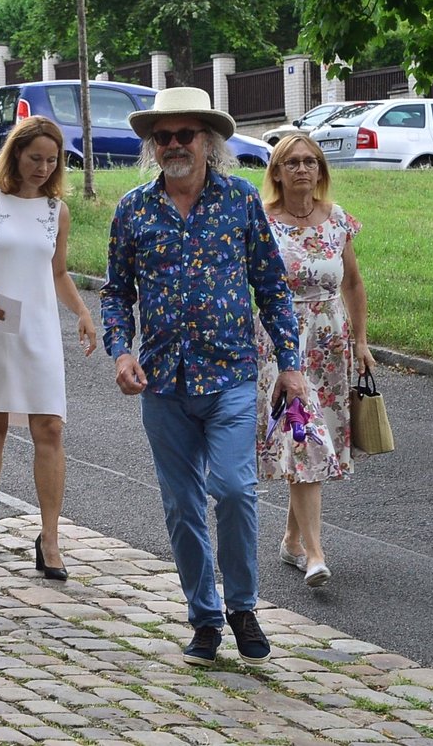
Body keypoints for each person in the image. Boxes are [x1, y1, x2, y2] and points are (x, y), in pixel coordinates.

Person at [101, 87, 309, 668]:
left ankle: (243, 605)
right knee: (182, 505)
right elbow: (116, 294)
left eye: (183, 135)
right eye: (161, 137)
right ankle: (204, 617)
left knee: (237, 490)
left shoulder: (240, 201)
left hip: (231, 376)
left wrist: (290, 366)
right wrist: (121, 353)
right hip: (162, 382)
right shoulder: (133, 209)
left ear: (207, 143)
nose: (172, 145)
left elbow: (272, 289)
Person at [0, 116, 97, 581]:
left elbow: (57, 271)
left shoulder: (57, 210)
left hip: (38, 329)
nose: (44, 168)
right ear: (15, 153)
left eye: (52, 161)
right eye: (36, 158)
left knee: (50, 428)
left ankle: (49, 536)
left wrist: (82, 313)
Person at [255, 134, 376, 588]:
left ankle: (291, 538)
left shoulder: (338, 219)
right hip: (282, 346)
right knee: (304, 438)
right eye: (292, 162)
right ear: (278, 173)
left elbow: (354, 284)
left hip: (330, 344)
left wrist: (361, 342)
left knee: (309, 439)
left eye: (310, 161)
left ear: (320, 170)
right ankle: (315, 553)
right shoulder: (263, 223)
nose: (303, 169)